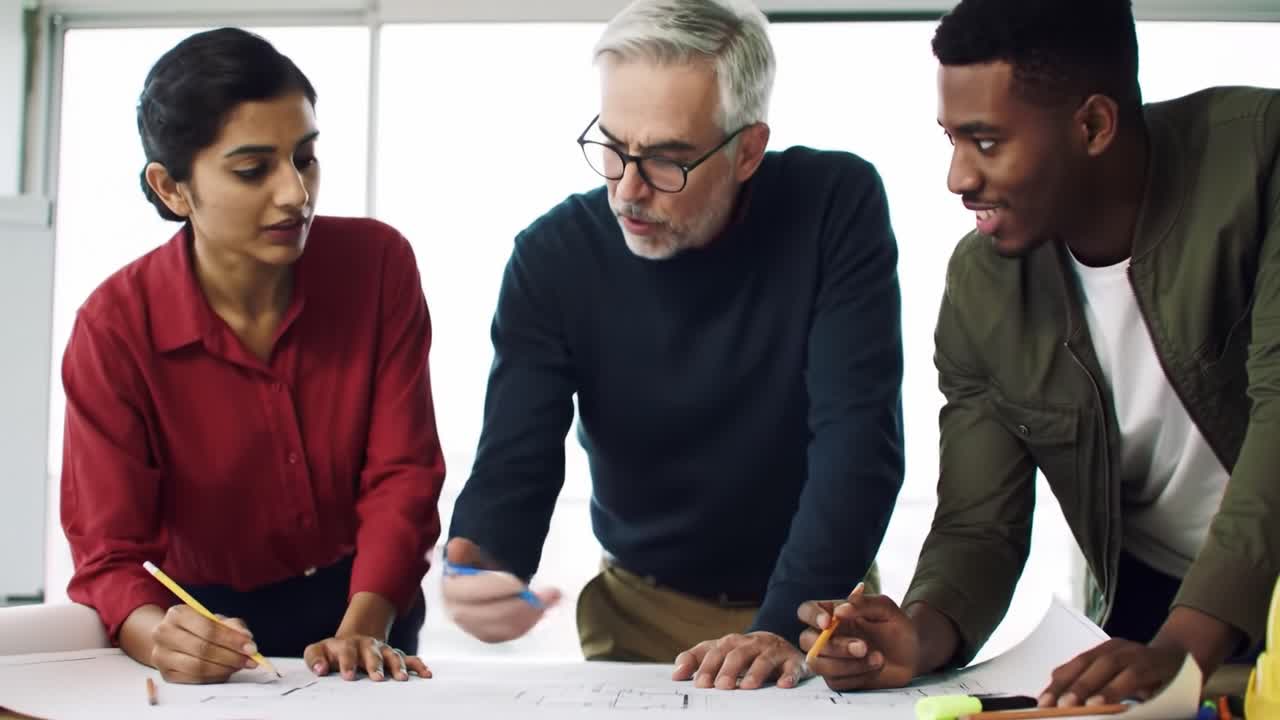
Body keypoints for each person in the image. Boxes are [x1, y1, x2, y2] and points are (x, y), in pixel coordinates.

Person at [798, 0, 1280, 707]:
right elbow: (978, 525)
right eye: (951, 140)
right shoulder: (981, 282)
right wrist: (920, 634)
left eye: (986, 142)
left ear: (1092, 125)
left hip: (1214, 616)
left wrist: (1183, 649)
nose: (957, 178)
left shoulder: (1263, 162)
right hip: (1159, 614)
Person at [443, 0, 904, 691]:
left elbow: (858, 441)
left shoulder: (835, 204)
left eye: (666, 161)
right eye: (614, 146)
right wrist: (482, 562)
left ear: (748, 149)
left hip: (816, 609)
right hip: (638, 615)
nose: (627, 191)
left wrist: (781, 626)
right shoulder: (551, 256)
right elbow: (517, 458)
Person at [60, 27, 445, 685]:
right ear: (171, 188)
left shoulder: (378, 265)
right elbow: (109, 556)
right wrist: (161, 640)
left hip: (366, 600)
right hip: (202, 624)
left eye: (305, 157)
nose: (295, 193)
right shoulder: (114, 327)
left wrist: (360, 632)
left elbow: (402, 473)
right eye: (252, 169)